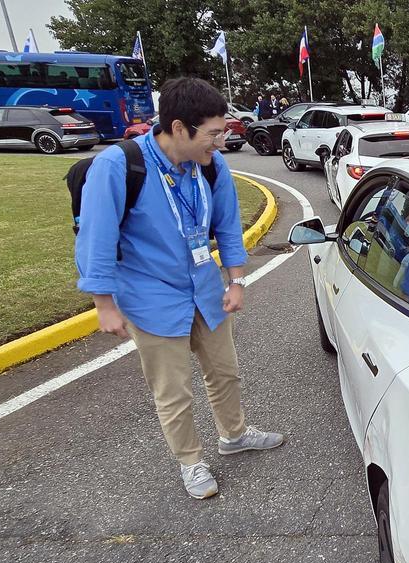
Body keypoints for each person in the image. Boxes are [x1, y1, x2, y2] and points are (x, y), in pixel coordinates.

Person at [75, 77, 285, 500]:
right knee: (174, 391)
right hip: (150, 297)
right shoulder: (119, 166)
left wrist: (237, 280)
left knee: (225, 372)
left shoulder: (210, 166)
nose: (221, 141)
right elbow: (95, 237)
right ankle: (191, 462)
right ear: (177, 127)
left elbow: (226, 225)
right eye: (212, 133)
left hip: (205, 290)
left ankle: (234, 434)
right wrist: (104, 304)